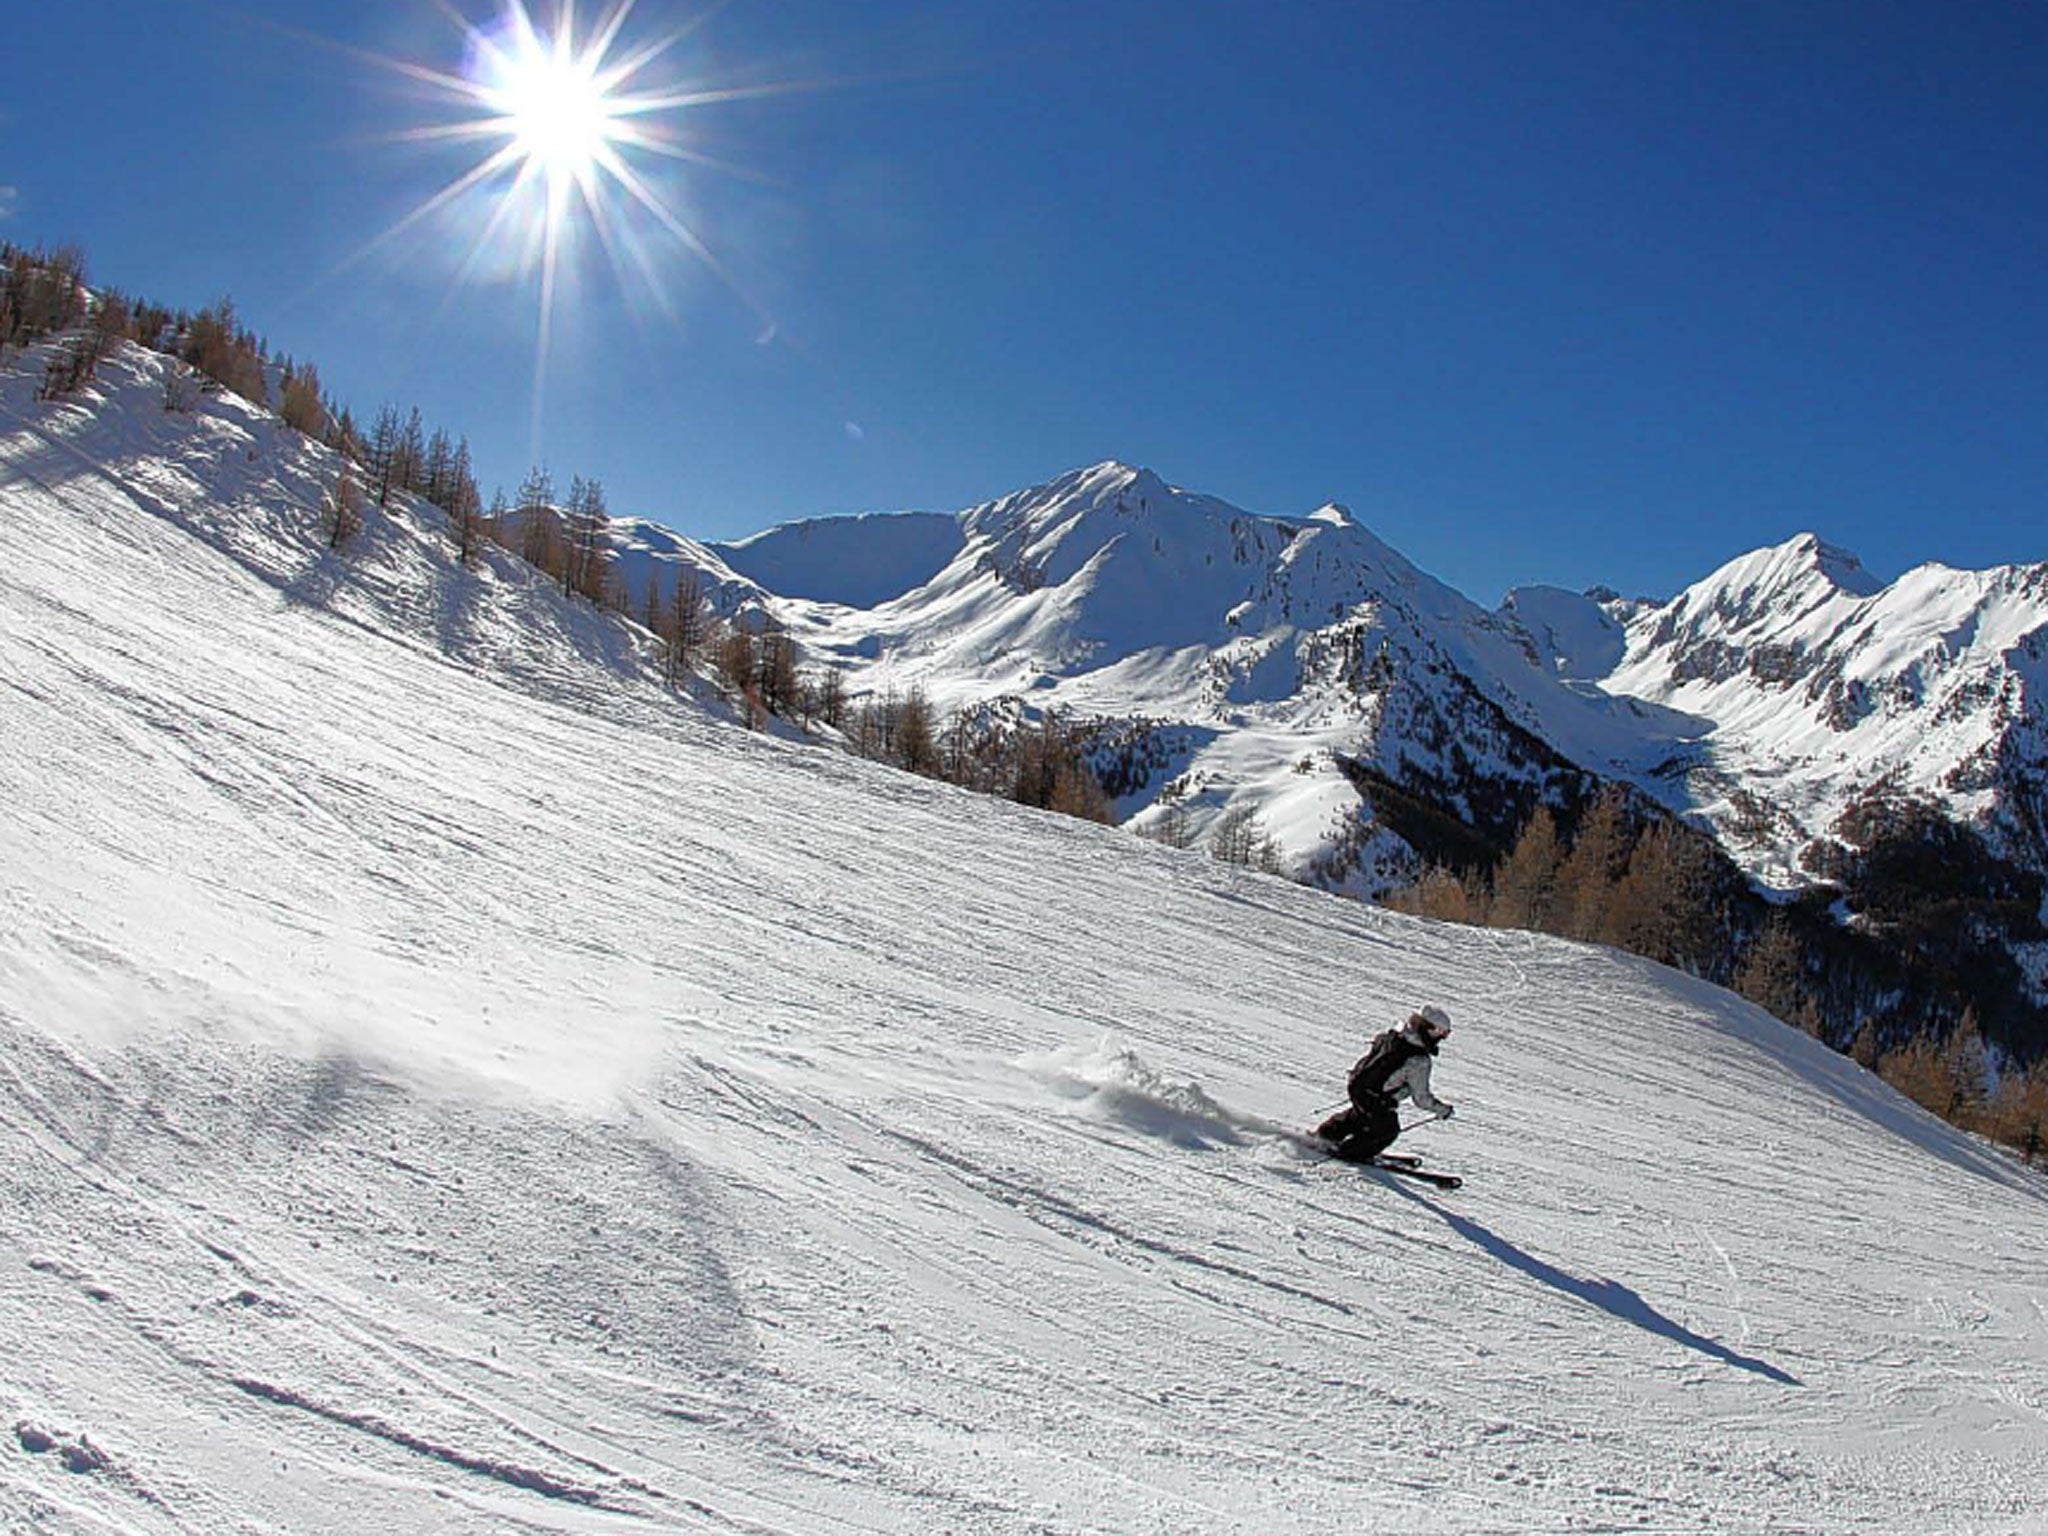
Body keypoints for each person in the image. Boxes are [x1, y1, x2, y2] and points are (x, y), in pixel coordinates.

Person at [1314, 1005, 1456, 1163]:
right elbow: (1421, 1098)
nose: (1441, 1039)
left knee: (1362, 1115)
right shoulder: (1418, 1060)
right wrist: (1442, 1110)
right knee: (1387, 1130)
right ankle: (1350, 1152)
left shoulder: (1394, 1036)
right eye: (1441, 1034)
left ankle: (1326, 1134)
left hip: (1358, 1084)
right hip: (1376, 1096)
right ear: (1430, 1030)